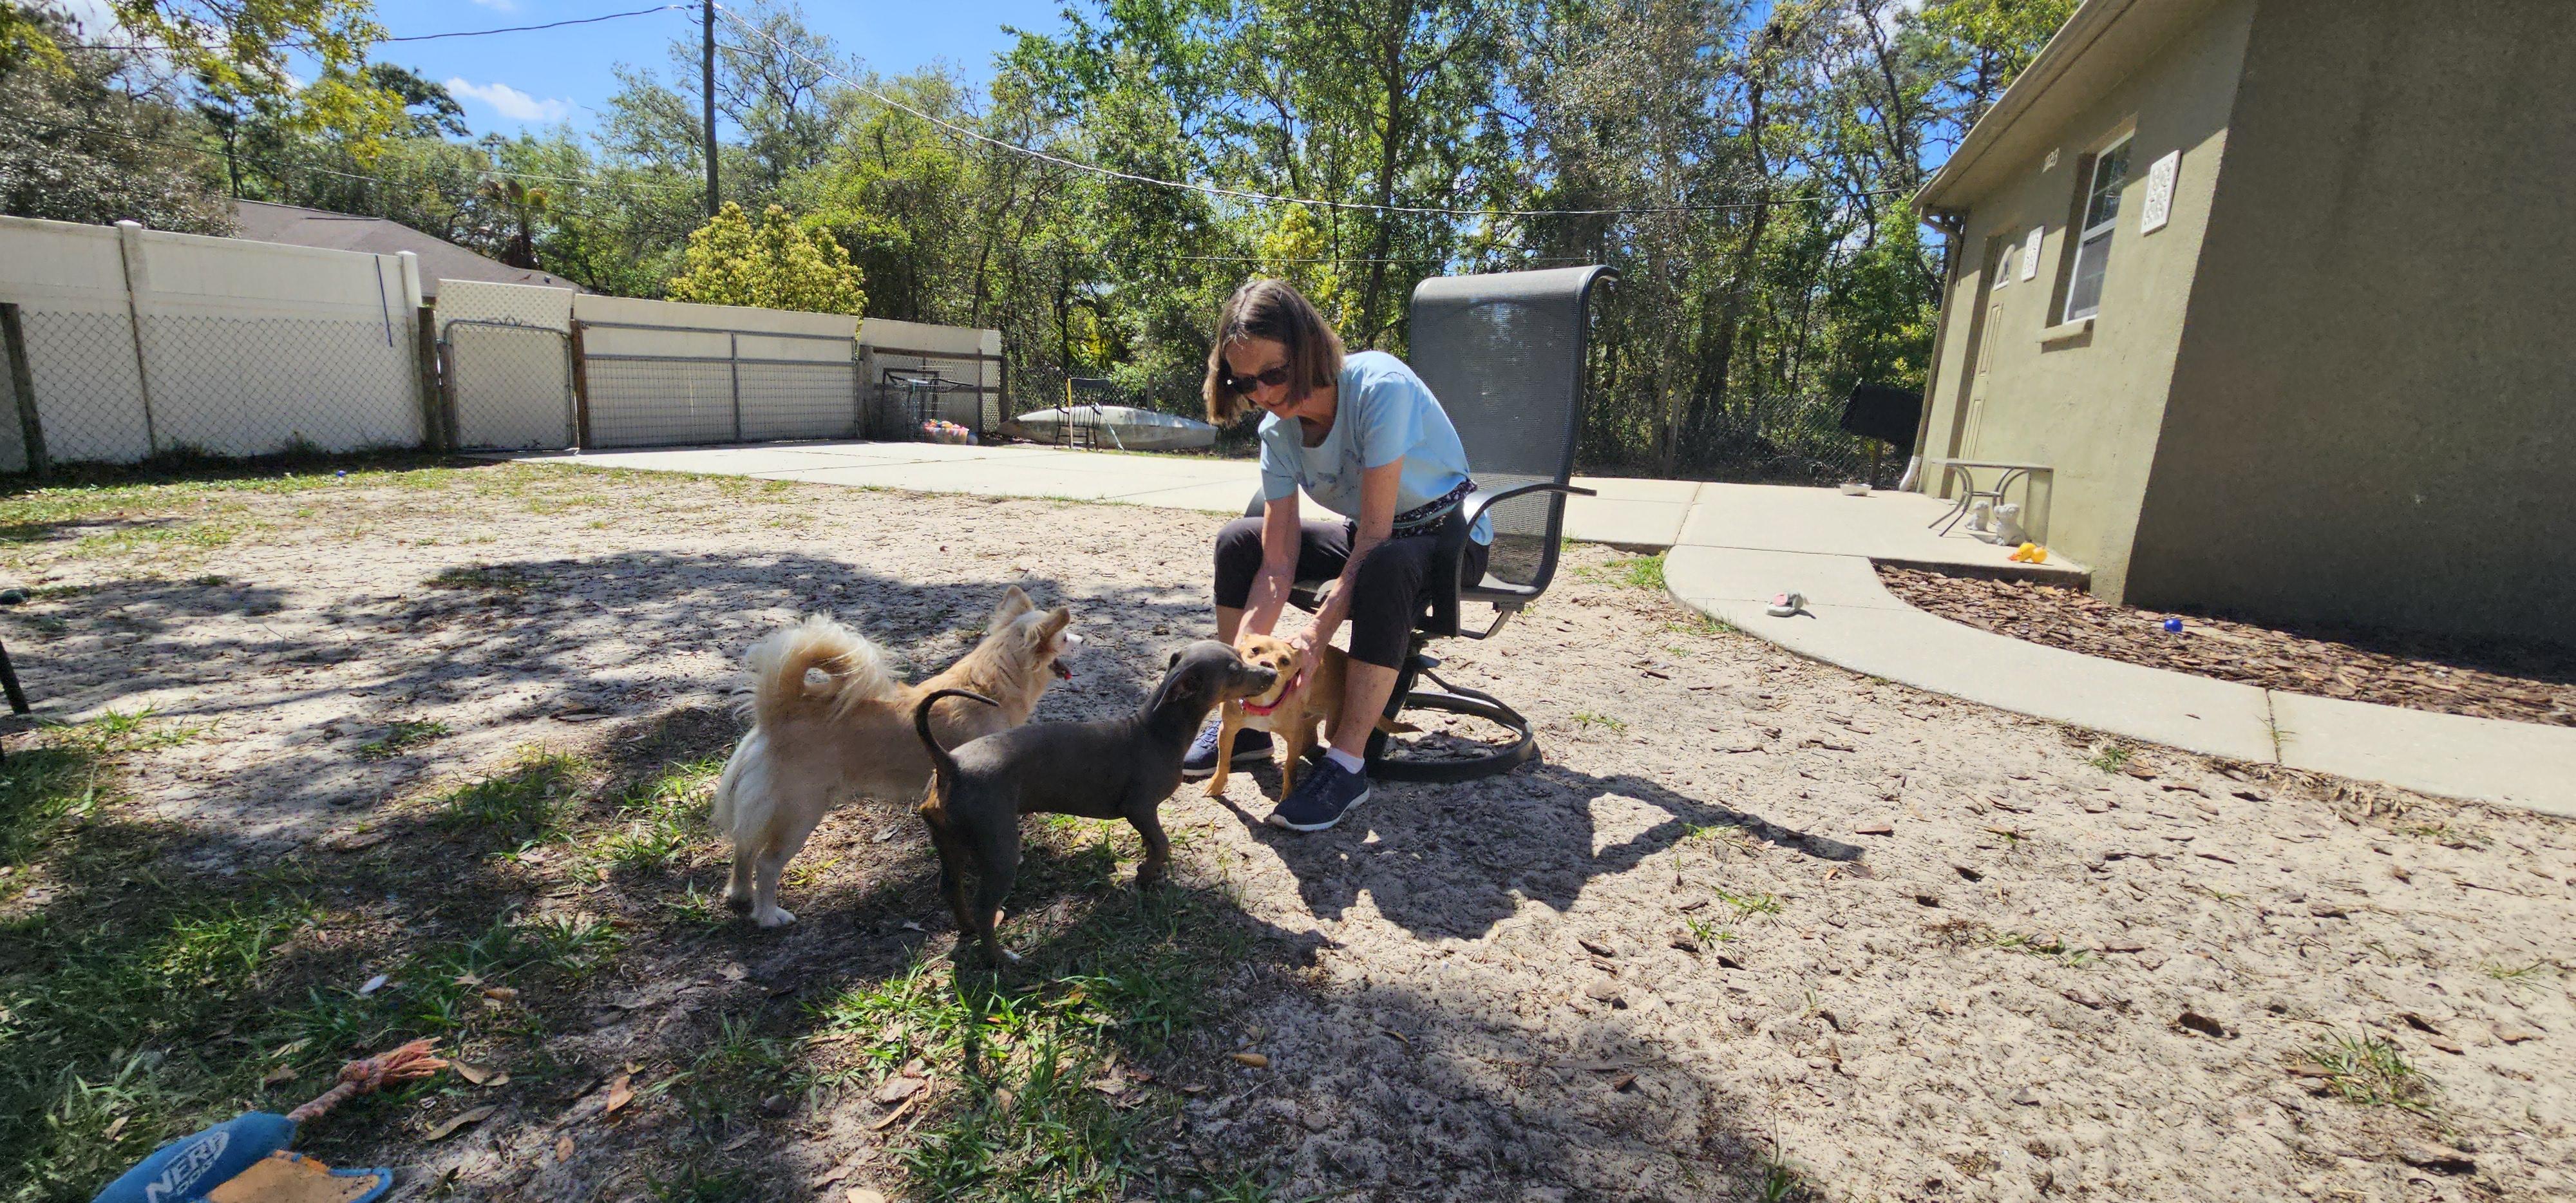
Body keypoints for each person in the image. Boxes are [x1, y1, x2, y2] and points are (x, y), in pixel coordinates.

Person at [1182, 279, 1488, 831]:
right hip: (1371, 539)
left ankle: (1347, 764)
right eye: (1244, 381)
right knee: (1239, 541)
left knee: (1384, 565)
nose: (1264, 396)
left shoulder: (1379, 389)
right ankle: (1249, 728)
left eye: (1274, 375)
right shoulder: (1277, 432)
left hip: (1449, 541)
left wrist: (1314, 638)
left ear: (1309, 350)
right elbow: (1276, 563)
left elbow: (1374, 542)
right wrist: (1241, 664)